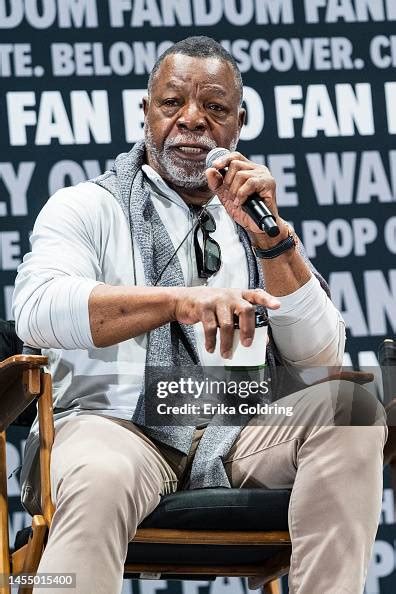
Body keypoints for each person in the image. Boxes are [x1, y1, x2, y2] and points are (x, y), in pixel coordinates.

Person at [12, 36, 386, 594]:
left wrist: (273, 244)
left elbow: (322, 357)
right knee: (102, 475)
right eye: (172, 104)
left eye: (213, 108)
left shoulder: (255, 223)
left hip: (237, 428)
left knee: (352, 407)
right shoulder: (88, 206)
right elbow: (36, 311)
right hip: (115, 424)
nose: (192, 120)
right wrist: (178, 301)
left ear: (238, 122)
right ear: (145, 113)